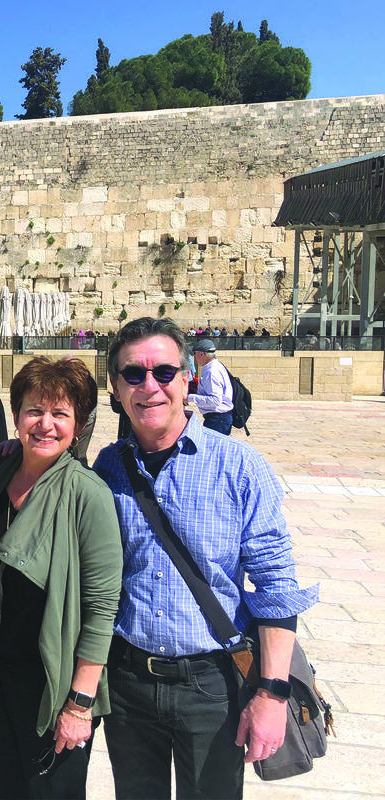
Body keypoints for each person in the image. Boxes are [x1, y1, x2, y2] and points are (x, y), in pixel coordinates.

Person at [93, 317, 317, 800]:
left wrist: (272, 695)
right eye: (133, 374)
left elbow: (276, 585)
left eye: (164, 373)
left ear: (187, 376)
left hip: (212, 685)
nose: (149, 386)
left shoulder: (238, 466)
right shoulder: (108, 467)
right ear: (114, 385)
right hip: (128, 683)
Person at [0, 357, 122, 799]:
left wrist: (80, 702)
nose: (45, 424)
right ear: (16, 417)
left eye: (60, 414)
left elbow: (102, 606)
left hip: (50, 686)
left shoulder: (87, 494)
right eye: (34, 410)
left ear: (79, 424)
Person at [188, 339, 233, 435]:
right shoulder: (216, 366)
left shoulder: (211, 372)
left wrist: (189, 398)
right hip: (220, 418)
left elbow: (215, 401)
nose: (194, 357)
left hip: (217, 420)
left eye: (195, 354)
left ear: (201, 354)